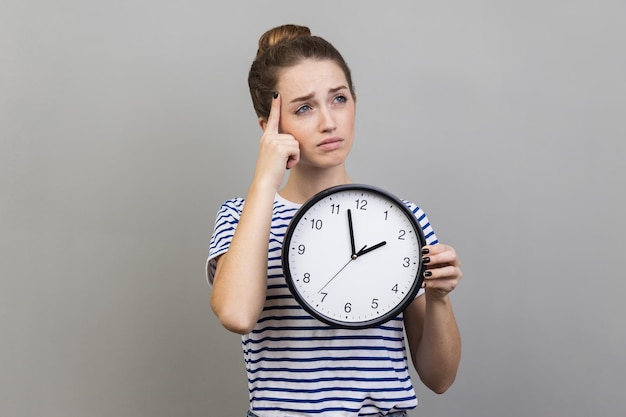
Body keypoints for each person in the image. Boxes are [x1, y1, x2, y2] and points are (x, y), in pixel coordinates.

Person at [207, 24, 462, 417]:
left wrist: (440, 299)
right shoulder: (241, 217)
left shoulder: (402, 219)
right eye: (304, 107)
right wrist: (264, 181)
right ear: (269, 127)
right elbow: (238, 315)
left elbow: (440, 378)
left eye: (339, 99)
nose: (329, 122)